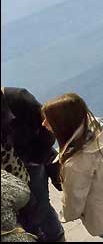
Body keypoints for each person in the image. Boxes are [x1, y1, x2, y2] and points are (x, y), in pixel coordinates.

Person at [41, 93, 103, 242]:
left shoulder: (76, 163)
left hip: (99, 211)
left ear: (62, 124)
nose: (44, 124)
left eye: (49, 120)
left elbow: (74, 197)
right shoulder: (98, 133)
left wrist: (66, 214)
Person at [1, 88, 64, 242]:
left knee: (42, 211)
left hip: (30, 168)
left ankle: (56, 238)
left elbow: (48, 127)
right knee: (19, 220)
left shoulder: (17, 98)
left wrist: (36, 158)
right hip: (5, 183)